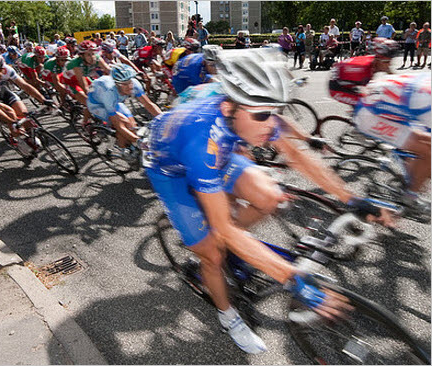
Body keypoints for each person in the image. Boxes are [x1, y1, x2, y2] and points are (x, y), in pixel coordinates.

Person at [145, 47, 388, 354]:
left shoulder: (251, 113)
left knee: (270, 196)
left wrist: (350, 198)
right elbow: (225, 228)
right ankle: (227, 315)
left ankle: (235, 249)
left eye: (274, 111)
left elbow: (298, 156)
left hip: (217, 149)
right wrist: (292, 278)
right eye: (262, 114)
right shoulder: (203, 141)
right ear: (229, 107)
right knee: (213, 253)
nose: (269, 124)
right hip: (170, 169)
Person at [354, 72, 431, 208]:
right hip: (370, 116)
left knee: (424, 145)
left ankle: (412, 178)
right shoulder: (428, 104)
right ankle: (410, 196)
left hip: (382, 99)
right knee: (428, 152)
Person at [0, 50, 53, 137]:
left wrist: (43, 99)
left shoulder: (7, 69)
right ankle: (15, 138)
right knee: (11, 114)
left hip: (0, 89)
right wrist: (12, 122)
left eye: (1, 69)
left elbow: (24, 85)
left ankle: (31, 136)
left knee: (24, 114)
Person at [87, 64, 161, 159]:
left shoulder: (134, 83)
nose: (129, 87)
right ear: (116, 84)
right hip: (97, 104)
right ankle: (124, 151)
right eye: (124, 84)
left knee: (133, 126)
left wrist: (164, 118)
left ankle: (129, 146)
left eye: (129, 82)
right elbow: (119, 124)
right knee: (124, 123)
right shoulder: (108, 92)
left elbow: (148, 104)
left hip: (115, 101)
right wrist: (138, 141)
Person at [329, 37, 399, 107]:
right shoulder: (365, 69)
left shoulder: (377, 61)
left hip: (347, 80)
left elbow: (391, 75)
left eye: (390, 61)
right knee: (366, 105)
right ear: (378, 60)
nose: (389, 65)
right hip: (336, 87)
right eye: (387, 62)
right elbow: (367, 90)